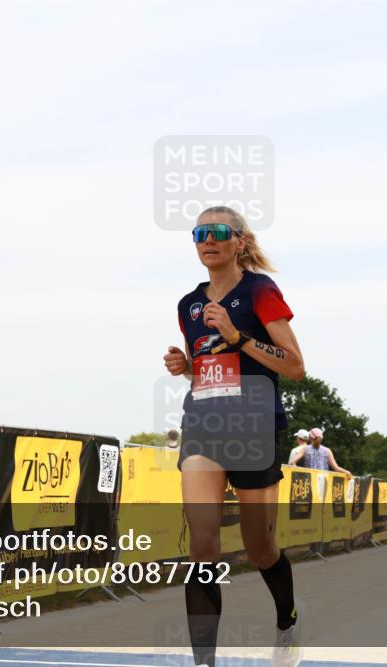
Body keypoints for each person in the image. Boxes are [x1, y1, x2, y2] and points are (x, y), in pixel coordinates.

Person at [163, 205, 306, 667]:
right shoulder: (189, 304)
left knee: (259, 547)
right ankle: (204, 662)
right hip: (203, 425)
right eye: (199, 232)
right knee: (202, 544)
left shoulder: (259, 291)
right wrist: (187, 369)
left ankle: (287, 620)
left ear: (239, 241)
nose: (207, 239)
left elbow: (294, 366)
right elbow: (208, 371)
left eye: (218, 232)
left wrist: (238, 336)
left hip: (253, 425)